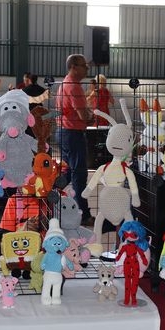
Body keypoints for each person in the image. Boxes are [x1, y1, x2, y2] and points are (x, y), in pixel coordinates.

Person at [56, 54, 94, 223]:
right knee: (79, 174)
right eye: (84, 65)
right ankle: (83, 213)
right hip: (73, 134)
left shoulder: (64, 83)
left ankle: (48, 193)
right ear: (73, 67)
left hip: (64, 132)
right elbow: (83, 115)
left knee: (69, 172)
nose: (87, 68)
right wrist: (90, 117)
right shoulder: (74, 87)